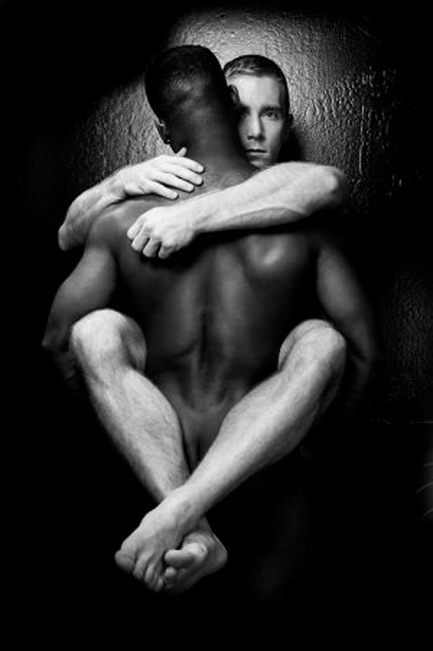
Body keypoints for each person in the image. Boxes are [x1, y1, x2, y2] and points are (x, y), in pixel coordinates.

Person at [42, 45, 379, 599]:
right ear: (229, 103)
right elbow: (365, 353)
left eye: (273, 115)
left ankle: (184, 517)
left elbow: (56, 343)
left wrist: (114, 434)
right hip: (260, 476)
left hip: (159, 483)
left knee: (90, 330)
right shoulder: (305, 225)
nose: (258, 129)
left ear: (161, 127)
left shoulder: (122, 222)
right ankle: (190, 519)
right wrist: (311, 449)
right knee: (324, 341)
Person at [58, 54, 347, 255]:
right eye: (241, 113)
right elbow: (66, 236)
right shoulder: (164, 192)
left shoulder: (303, 205)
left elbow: (328, 183)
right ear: (221, 111)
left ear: (286, 128)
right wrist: (116, 185)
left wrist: (191, 217)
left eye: (270, 114)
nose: (256, 131)